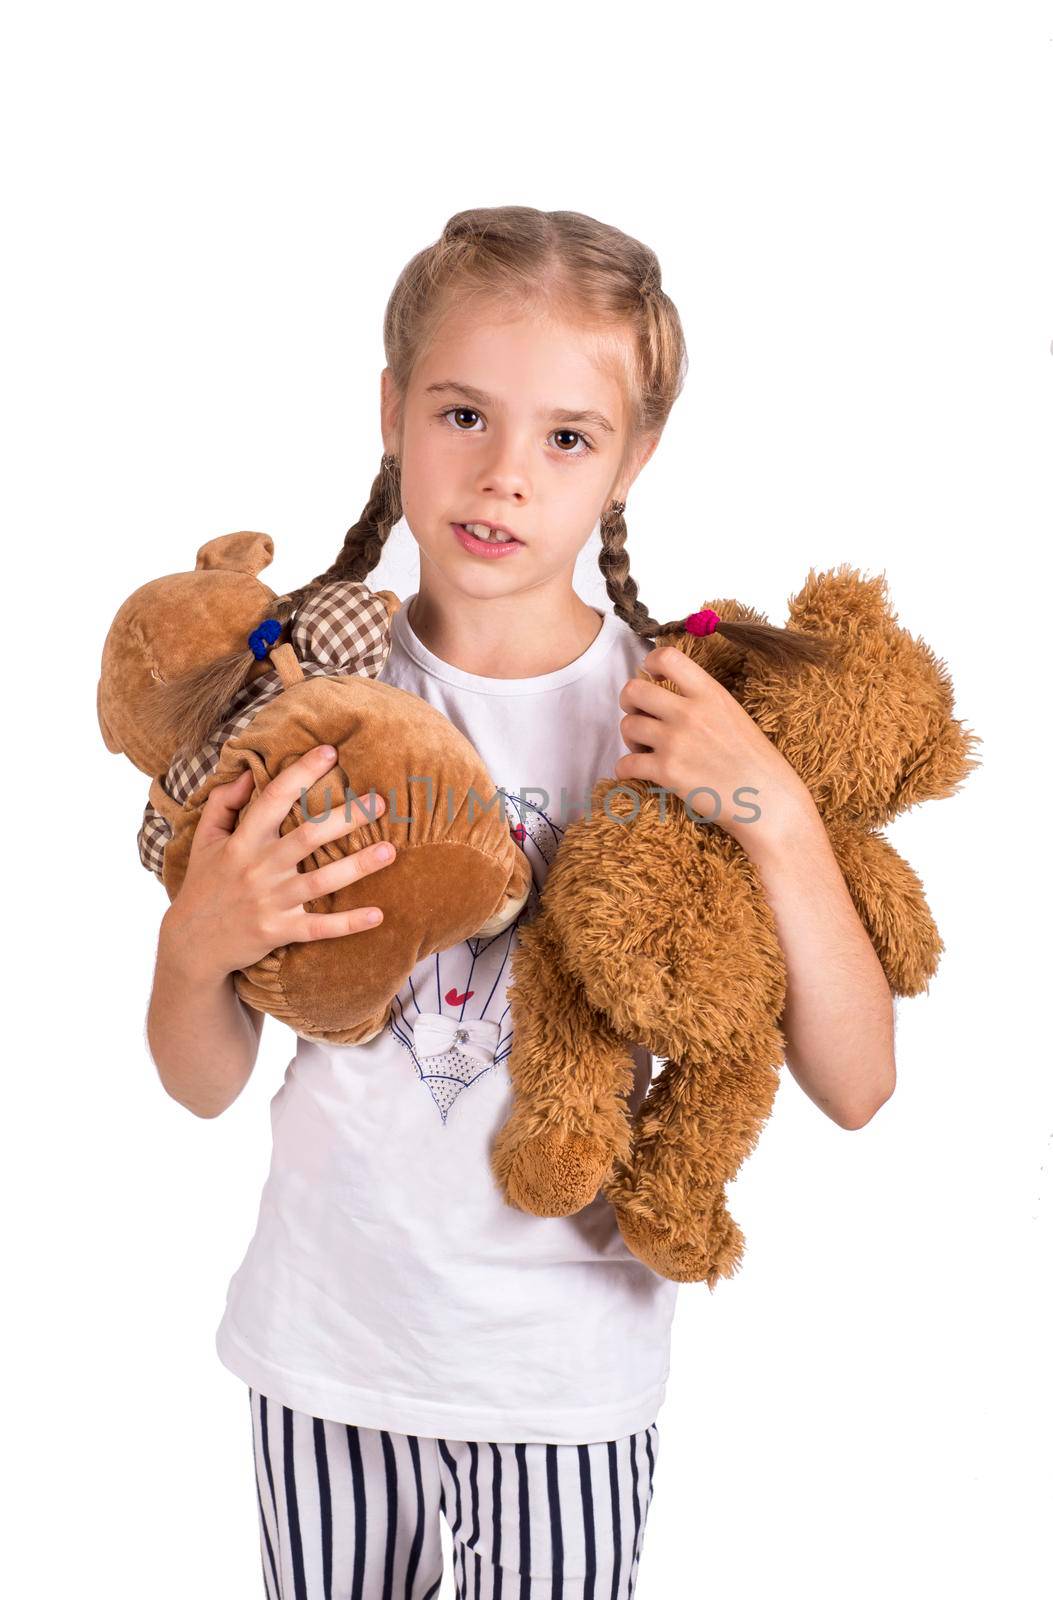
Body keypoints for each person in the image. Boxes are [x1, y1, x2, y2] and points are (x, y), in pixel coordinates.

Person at [146, 205, 897, 1598]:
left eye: (565, 437)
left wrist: (774, 812)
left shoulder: (683, 719)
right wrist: (199, 944)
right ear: (390, 410)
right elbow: (201, 1084)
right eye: (460, 414)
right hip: (323, 1352)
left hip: (562, 1380)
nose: (501, 477)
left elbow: (855, 1084)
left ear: (632, 461)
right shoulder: (312, 702)